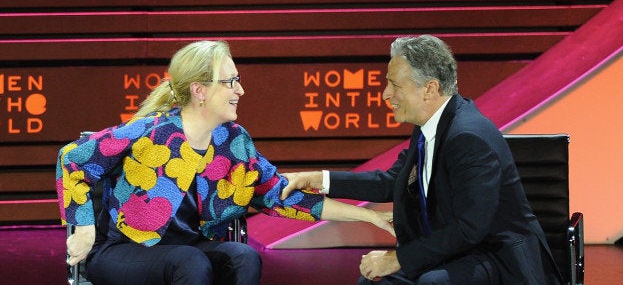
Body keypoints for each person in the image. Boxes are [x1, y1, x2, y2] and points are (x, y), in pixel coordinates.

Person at [57, 40, 395, 285]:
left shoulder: (233, 142)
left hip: (187, 251)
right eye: (230, 81)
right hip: (125, 251)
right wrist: (84, 228)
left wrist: (370, 216)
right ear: (199, 90)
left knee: (242, 256)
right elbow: (72, 158)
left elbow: (280, 194)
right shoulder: (148, 133)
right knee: (189, 260)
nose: (240, 90)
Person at [281, 35, 563, 284]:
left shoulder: (468, 138)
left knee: (431, 282)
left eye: (394, 85)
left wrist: (397, 259)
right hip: (454, 248)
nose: (385, 95)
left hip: (493, 256)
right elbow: (392, 182)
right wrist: (316, 179)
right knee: (375, 281)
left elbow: (470, 228)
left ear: (429, 88)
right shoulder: (429, 125)